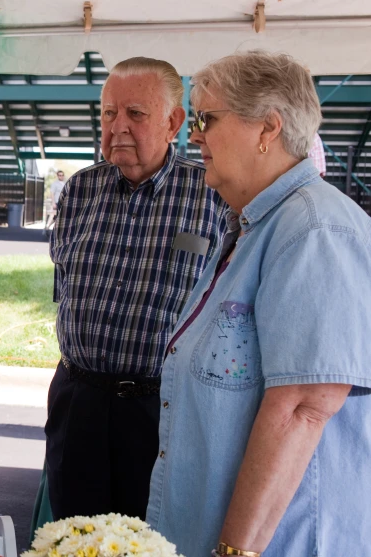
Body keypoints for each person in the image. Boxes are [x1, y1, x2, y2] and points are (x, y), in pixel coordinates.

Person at [147, 51, 371, 557]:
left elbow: (302, 408)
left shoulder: (315, 229)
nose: (193, 135)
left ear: (268, 127)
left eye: (207, 118)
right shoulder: (255, 226)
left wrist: (235, 551)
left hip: (277, 543)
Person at [46, 57, 227, 522]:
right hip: (79, 402)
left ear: (174, 122)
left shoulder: (212, 194)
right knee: (73, 538)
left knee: (152, 540)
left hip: (162, 408)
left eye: (135, 114)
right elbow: (63, 285)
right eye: (108, 113)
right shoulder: (79, 191)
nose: (117, 126)